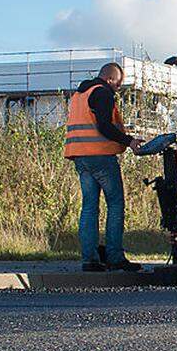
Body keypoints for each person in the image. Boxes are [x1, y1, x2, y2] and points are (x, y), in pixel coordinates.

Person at [63, 63, 143, 272]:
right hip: (101, 157)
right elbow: (104, 126)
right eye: (119, 82)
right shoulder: (103, 94)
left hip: (80, 157)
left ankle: (90, 259)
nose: (119, 87)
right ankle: (115, 256)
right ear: (109, 79)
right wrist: (129, 141)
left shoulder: (80, 95)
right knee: (115, 204)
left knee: (89, 207)